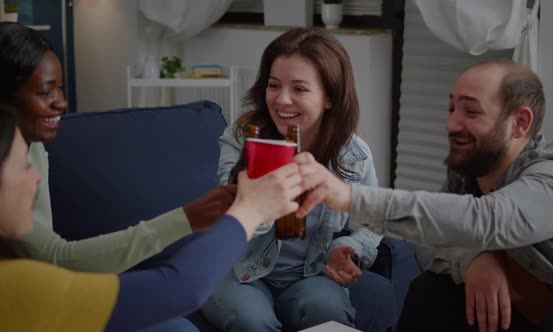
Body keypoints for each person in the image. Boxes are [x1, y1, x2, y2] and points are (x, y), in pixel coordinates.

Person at [294, 59, 553, 332]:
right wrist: (474, 258)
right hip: (514, 308)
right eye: (452, 110)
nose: (451, 125)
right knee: (431, 292)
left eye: (471, 111)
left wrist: (349, 197)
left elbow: (490, 219)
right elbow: (428, 242)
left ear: (520, 123)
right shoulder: (470, 172)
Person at [0, 21, 233, 331]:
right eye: (46, 91)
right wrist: (240, 215)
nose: (61, 102)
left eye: (60, 87)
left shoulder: (32, 144)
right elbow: (181, 289)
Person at [0, 107, 305, 331]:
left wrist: (190, 217)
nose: (37, 178)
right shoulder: (17, 287)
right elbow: (179, 289)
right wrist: (249, 211)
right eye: (23, 166)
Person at [200, 27, 388, 332]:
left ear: (330, 97)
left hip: (310, 275)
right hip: (236, 268)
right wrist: (263, 195)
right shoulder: (242, 139)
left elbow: (372, 219)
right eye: (274, 85)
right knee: (252, 321)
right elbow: (231, 214)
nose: (282, 99)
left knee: (329, 312)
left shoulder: (353, 155)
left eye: (299, 89)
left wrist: (347, 248)